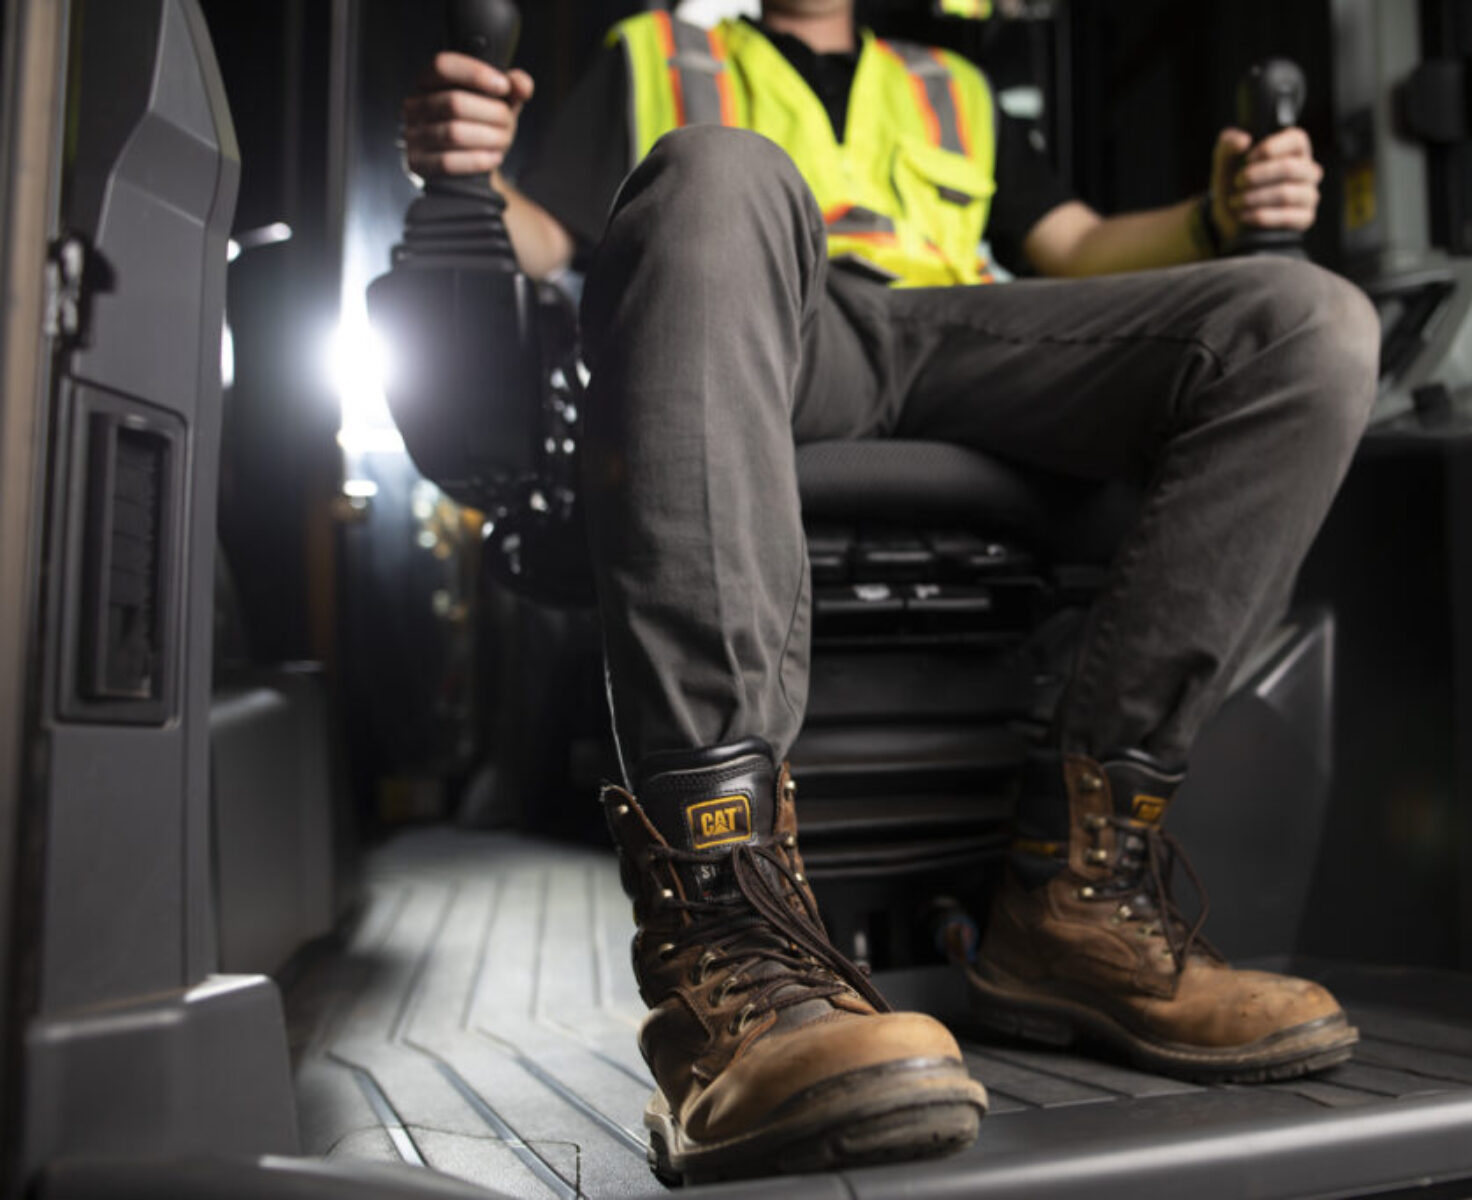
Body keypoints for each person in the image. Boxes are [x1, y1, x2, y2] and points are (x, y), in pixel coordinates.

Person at [403, 0, 1379, 1183]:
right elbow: (549, 241)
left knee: (1307, 325)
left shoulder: (948, 86)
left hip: (964, 335)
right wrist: (474, 169)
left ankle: (1076, 892)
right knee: (716, 168)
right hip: (776, 328)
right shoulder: (659, 54)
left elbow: (1071, 246)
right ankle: (726, 916)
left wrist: (1217, 217)